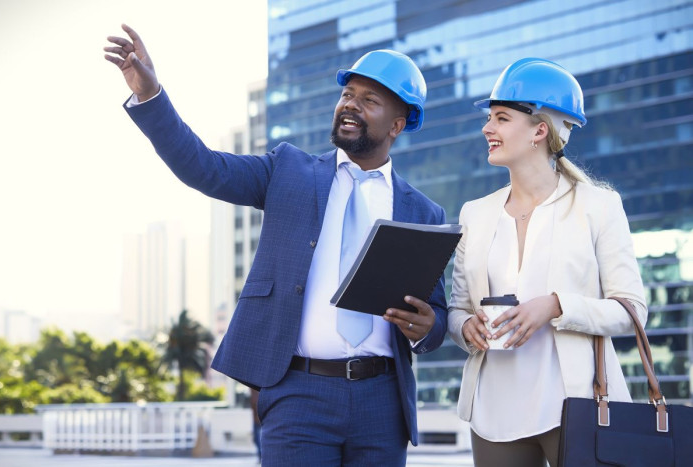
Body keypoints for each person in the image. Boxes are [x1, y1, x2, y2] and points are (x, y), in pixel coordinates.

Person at [104, 24, 448, 466]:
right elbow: (204, 168)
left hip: (382, 403)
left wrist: (427, 328)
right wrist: (151, 97)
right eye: (348, 94)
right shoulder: (288, 171)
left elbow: (435, 316)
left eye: (369, 100)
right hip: (299, 394)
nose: (350, 105)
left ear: (398, 124)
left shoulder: (423, 213)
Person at [447, 57, 647, 467]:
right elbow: (457, 310)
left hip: (577, 407)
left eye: (501, 118)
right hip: (494, 413)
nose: (488, 128)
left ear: (540, 130)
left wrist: (556, 306)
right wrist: (466, 327)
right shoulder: (475, 214)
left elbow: (632, 311)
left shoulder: (599, 206)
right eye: (490, 118)